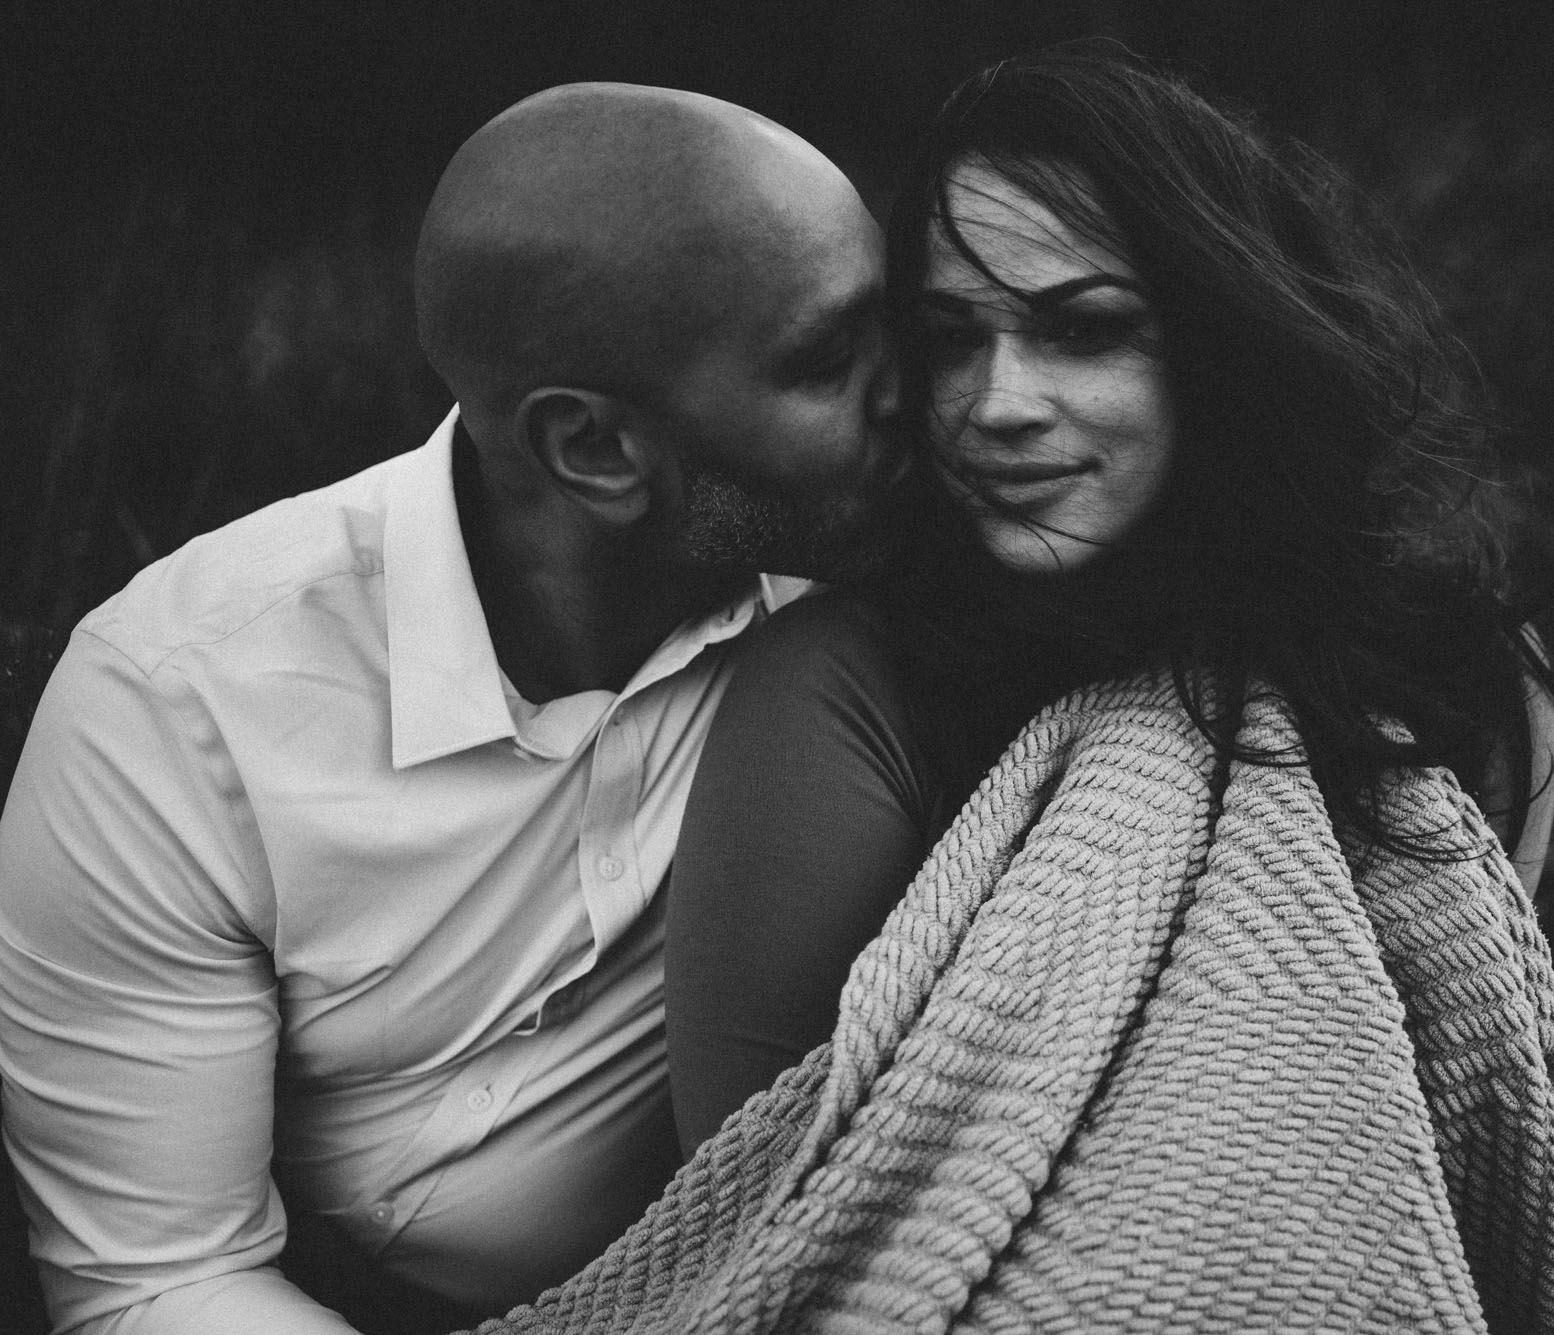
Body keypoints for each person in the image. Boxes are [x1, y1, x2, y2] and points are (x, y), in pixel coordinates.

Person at [535, 44, 1554, 1334]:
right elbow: (765, 1204)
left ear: (1222, 341)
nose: (996, 405)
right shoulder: (852, 685)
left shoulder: (1451, 681)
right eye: (949, 338)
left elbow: (1458, 1113)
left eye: (1085, 330)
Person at [0, 83, 898, 1335]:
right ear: (595, 450)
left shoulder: (868, 572)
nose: (911, 394)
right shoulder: (175, 710)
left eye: (895, 329)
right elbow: (157, 1282)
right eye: (824, 362)